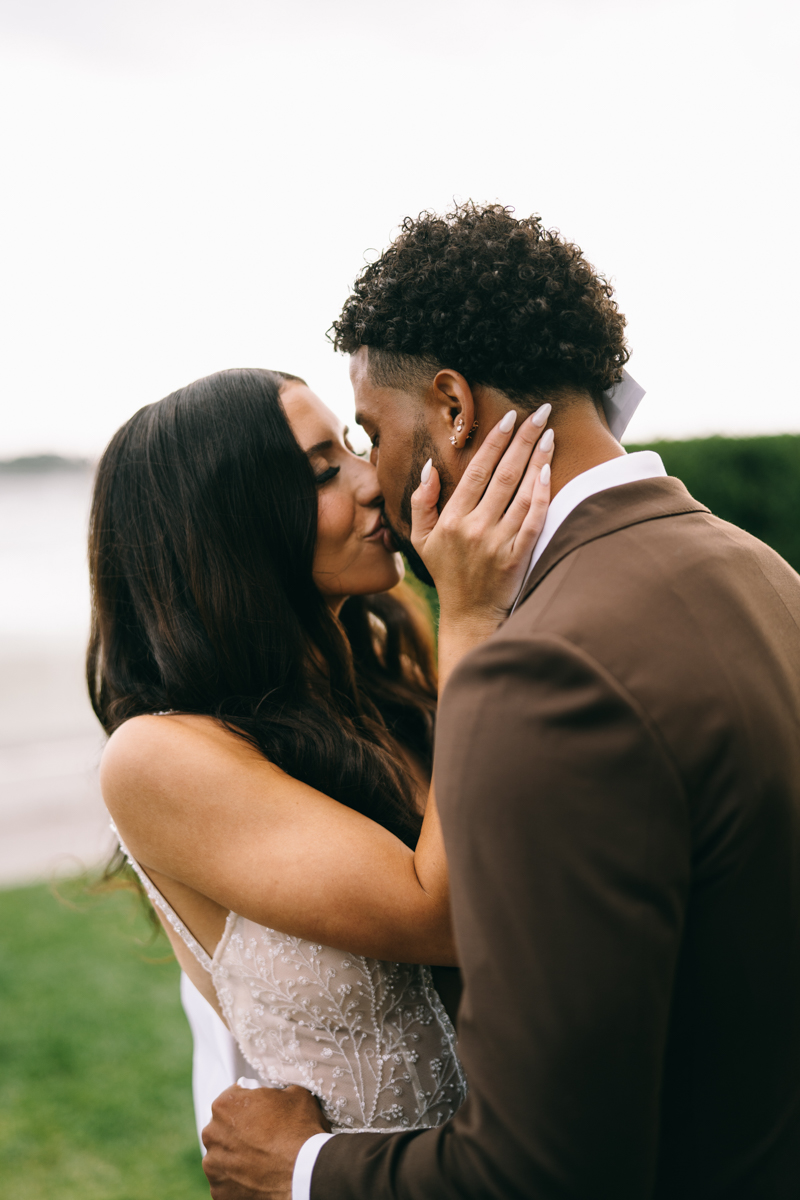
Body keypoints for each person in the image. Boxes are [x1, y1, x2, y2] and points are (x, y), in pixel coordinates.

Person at [201, 203, 800, 1199]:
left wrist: (299, 1169)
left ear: (449, 408)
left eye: (371, 432)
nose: (372, 475)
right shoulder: (758, 571)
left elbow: (542, 1170)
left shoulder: (545, 671)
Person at [89, 366, 554, 1142]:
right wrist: (471, 615)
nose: (375, 480)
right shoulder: (154, 757)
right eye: (324, 472)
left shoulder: (378, 672)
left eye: (353, 446)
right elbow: (447, 911)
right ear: (227, 529)